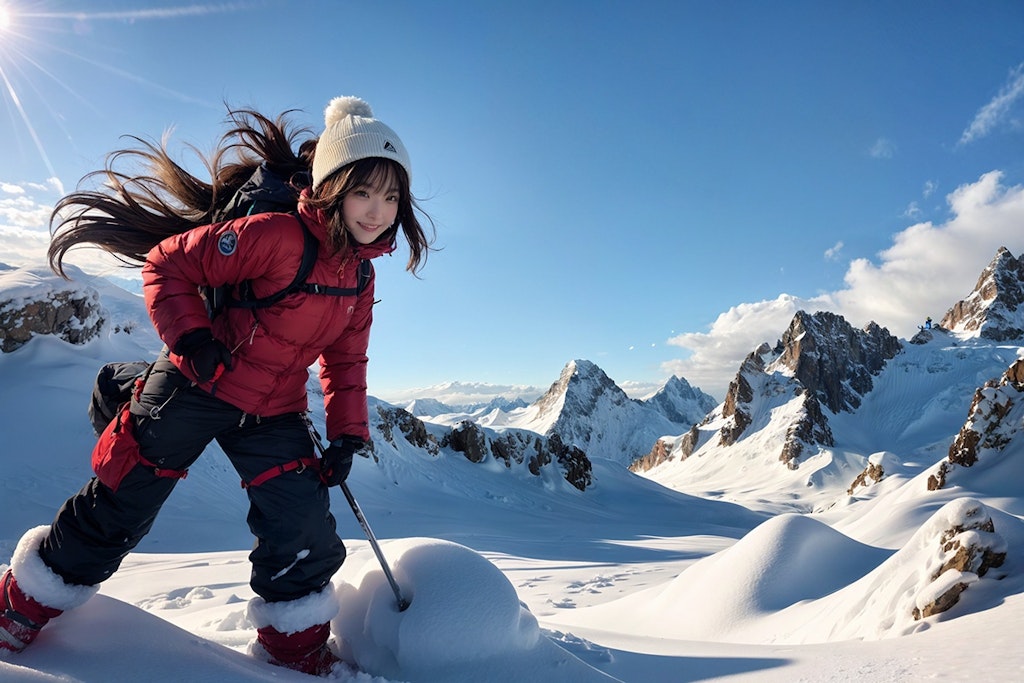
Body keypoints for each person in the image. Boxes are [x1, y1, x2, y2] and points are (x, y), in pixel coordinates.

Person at [0, 96, 433, 675]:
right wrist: (193, 342)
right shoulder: (275, 235)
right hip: (198, 383)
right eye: (363, 192)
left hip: (274, 408)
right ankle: (17, 611)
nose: (376, 210)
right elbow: (166, 264)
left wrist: (348, 434)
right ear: (331, 187)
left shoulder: (360, 272)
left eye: (390, 196)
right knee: (120, 505)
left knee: (302, 525)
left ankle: (296, 652)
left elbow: (347, 359)